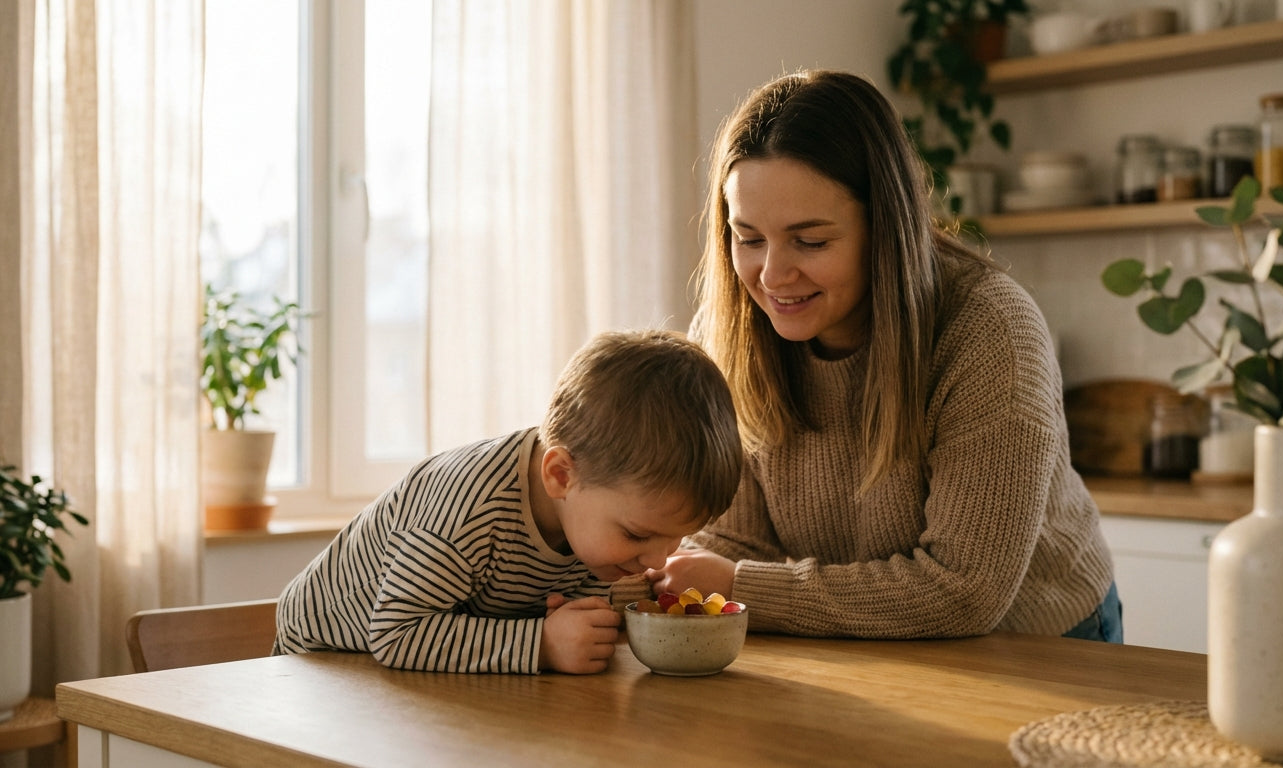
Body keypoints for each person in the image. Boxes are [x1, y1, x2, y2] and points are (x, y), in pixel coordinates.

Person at [637, 70, 1120, 642]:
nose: (772, 276)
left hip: (1042, 640)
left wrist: (742, 588)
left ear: (885, 228)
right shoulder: (730, 331)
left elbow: (965, 591)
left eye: (811, 241)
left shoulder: (989, 330)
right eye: (748, 237)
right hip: (862, 637)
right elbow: (738, 542)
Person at [274, 329, 742, 674]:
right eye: (638, 535)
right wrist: (541, 644)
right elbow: (397, 633)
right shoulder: (467, 509)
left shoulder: (593, 517)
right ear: (561, 475)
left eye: (676, 537)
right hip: (322, 665)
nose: (658, 559)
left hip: (414, 672)